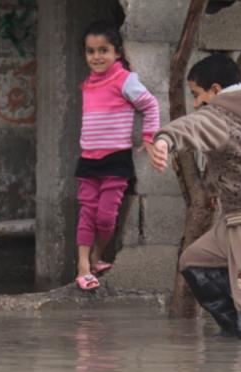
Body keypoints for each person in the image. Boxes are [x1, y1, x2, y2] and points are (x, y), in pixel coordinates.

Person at [147, 28, 241, 341]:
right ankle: (237, 332)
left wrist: (163, 140)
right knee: (193, 261)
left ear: (215, 90)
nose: (196, 103)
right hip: (238, 220)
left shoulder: (218, 116)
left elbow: (189, 126)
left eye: (197, 95)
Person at [74, 22, 160, 290]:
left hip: (116, 160)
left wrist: (149, 138)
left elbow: (151, 105)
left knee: (106, 217)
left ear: (118, 52)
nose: (96, 57)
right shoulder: (88, 82)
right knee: (87, 213)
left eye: (103, 50)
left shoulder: (124, 79)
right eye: (90, 51)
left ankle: (97, 257)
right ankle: (83, 267)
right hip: (88, 159)